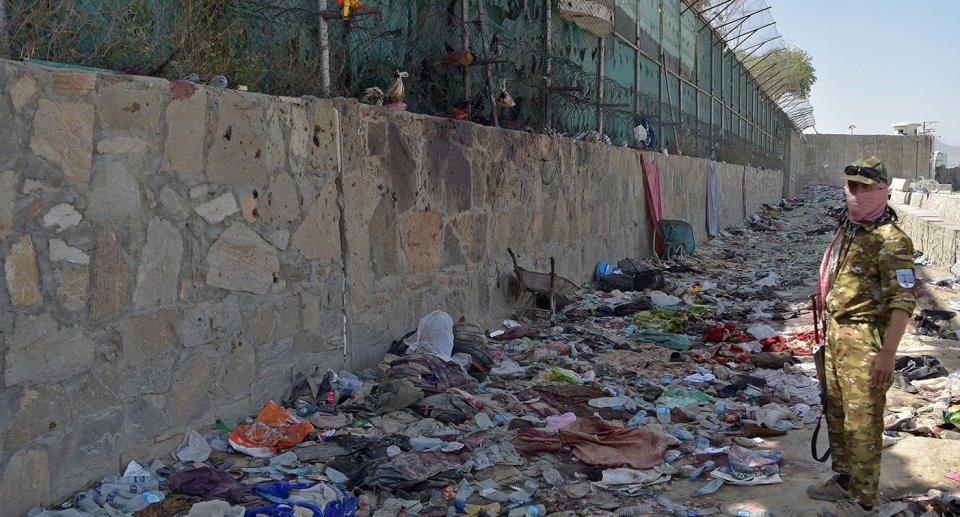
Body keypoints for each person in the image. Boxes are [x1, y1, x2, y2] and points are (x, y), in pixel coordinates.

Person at [809, 156, 917, 517]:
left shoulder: (892, 240)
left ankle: (862, 499)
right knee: (838, 415)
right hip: (838, 338)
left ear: (881, 190)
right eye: (851, 186)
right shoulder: (852, 230)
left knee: (863, 423)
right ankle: (843, 479)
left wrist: (888, 353)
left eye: (864, 187)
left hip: (866, 343)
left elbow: (902, 302)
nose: (855, 193)